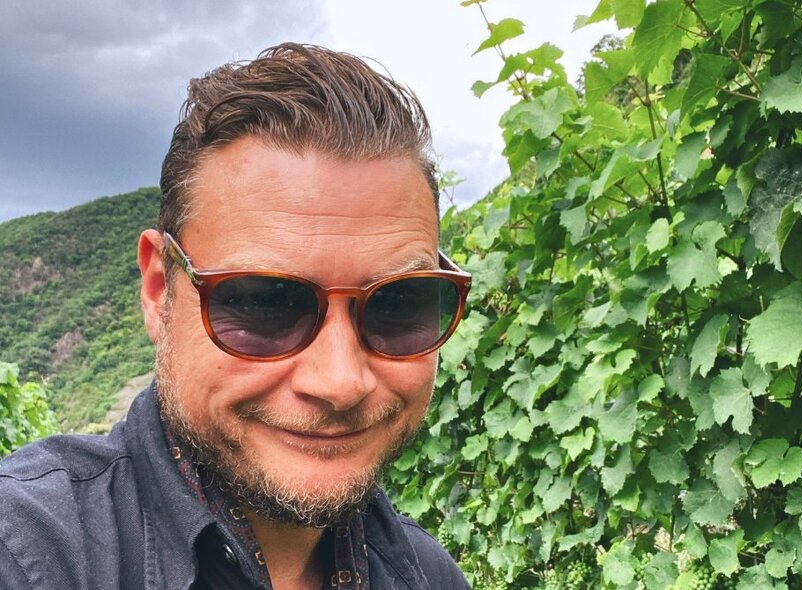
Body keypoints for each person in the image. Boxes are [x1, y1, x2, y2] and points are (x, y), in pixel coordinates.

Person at [0, 43, 472, 589]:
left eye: (399, 303)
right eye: (264, 303)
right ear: (159, 290)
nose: (341, 382)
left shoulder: (430, 576)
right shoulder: (28, 556)